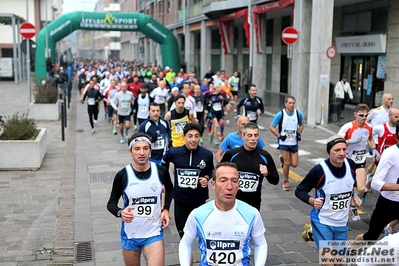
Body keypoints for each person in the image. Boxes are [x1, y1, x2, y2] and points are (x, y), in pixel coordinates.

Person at [178, 162, 268, 266]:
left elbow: (261, 243)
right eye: (223, 181)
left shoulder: (251, 214)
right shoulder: (198, 215)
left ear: (238, 185)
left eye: (234, 181)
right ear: (213, 184)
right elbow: (185, 243)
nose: (229, 186)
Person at [106, 133, 173, 266]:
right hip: (131, 234)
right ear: (130, 152)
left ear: (150, 151)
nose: (141, 152)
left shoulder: (161, 171)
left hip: (153, 233)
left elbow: (170, 189)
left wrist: (166, 210)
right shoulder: (123, 175)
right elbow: (111, 203)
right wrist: (120, 212)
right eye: (137, 149)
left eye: (145, 148)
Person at [295, 135, 362, 258]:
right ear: (329, 152)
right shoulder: (319, 170)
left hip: (342, 223)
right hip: (322, 221)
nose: (342, 153)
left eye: (344, 149)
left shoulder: (351, 164)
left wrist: (355, 194)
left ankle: (311, 232)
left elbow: (353, 182)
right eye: (337, 150)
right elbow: (299, 190)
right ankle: (314, 230)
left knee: (338, 262)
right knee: (329, 261)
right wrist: (312, 201)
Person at [162, 123, 214, 238]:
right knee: (183, 236)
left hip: (199, 201)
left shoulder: (207, 154)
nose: (193, 140)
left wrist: (206, 178)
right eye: (190, 136)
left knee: (201, 235)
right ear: (183, 137)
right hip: (180, 200)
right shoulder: (174, 152)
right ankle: (187, 255)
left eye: (196, 136)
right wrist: (164, 181)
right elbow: (163, 163)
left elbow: (211, 171)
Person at [354, 126, 399, 243]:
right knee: (371, 237)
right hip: (388, 204)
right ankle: (351, 248)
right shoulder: (390, 153)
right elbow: (375, 182)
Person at [221, 122, 279, 210]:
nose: (253, 139)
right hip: (233, 202)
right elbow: (218, 174)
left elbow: (275, 180)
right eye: (249, 135)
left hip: (254, 204)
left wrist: (267, 173)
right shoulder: (232, 154)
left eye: (256, 135)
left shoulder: (265, 156)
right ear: (243, 136)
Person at [338, 103, 378, 220]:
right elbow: (337, 141)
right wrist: (350, 141)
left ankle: (353, 206)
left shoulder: (369, 127)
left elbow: (370, 138)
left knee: (361, 188)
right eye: (361, 115)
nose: (364, 118)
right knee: (345, 187)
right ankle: (342, 208)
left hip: (360, 160)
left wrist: (374, 148)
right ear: (355, 114)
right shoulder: (347, 127)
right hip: (346, 160)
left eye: (366, 116)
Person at [269, 95, 304, 191]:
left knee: (295, 164)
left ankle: (282, 160)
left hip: (294, 143)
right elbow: (272, 127)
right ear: (285, 104)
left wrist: (299, 132)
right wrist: (280, 136)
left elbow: (301, 125)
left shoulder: (298, 114)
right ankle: (286, 181)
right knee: (287, 162)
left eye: (293, 103)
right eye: (290, 103)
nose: (292, 105)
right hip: (284, 143)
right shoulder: (281, 114)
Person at [365, 93, 394, 181]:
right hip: (376, 142)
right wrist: (369, 136)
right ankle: (366, 181)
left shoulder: (392, 112)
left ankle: (367, 179)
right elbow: (364, 121)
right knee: (377, 163)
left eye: (392, 99)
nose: (391, 101)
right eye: (389, 99)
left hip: (386, 142)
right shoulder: (375, 111)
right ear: (383, 101)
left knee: (376, 164)